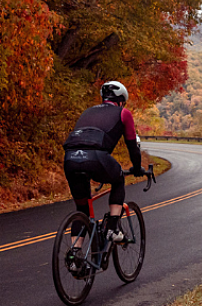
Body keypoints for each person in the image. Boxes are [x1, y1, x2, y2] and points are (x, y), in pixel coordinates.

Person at [62, 81, 145, 263]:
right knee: (118, 179)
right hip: (96, 157)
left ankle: (75, 256)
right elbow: (132, 146)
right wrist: (137, 167)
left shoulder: (88, 112)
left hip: (70, 159)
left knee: (82, 209)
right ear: (121, 100)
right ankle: (113, 228)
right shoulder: (123, 113)